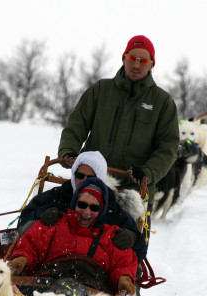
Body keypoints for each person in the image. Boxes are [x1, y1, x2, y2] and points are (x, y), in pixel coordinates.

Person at [57, 35, 179, 210]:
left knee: (127, 238)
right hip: (90, 185)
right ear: (123, 58)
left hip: (134, 194)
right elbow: (76, 125)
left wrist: (147, 172)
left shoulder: (162, 102)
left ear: (152, 65)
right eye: (132, 58)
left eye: (143, 61)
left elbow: (168, 147)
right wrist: (68, 151)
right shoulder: (100, 90)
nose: (136, 65)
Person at [8, 178, 138, 296]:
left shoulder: (111, 235)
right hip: (48, 285)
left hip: (92, 294)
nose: (86, 212)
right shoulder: (55, 223)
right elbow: (31, 246)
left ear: (101, 211)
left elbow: (123, 263)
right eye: (82, 205)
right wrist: (22, 259)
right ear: (74, 203)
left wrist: (123, 279)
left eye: (94, 207)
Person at [17, 151, 148, 262]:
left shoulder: (112, 207)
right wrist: (41, 214)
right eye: (80, 175)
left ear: (101, 178)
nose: (84, 181)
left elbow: (139, 251)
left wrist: (133, 238)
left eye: (91, 177)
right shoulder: (58, 196)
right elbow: (23, 222)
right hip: (51, 262)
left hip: (95, 271)